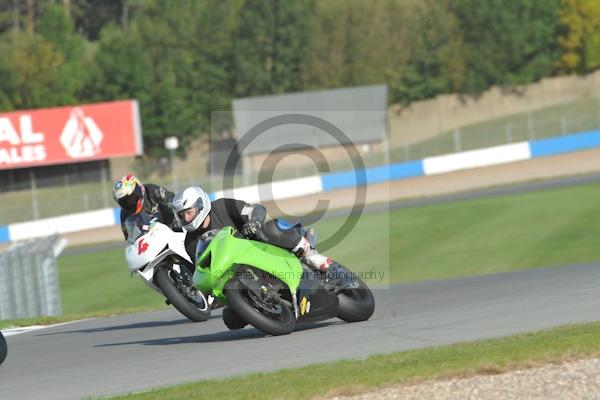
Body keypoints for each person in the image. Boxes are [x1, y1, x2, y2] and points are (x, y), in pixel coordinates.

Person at [172, 186, 346, 330]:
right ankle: (266, 306)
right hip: (237, 273)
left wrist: (253, 223)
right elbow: (202, 266)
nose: (186, 218)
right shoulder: (190, 243)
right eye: (182, 216)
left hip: (260, 248)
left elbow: (255, 209)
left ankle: (313, 257)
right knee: (231, 319)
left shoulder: (222, 206)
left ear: (201, 205)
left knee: (271, 228)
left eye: (189, 212)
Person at [112, 174, 179, 240]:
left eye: (131, 199)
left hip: (173, 231)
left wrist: (177, 224)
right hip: (152, 242)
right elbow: (129, 240)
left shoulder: (152, 191)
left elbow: (173, 201)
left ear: (138, 189)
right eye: (124, 203)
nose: (129, 204)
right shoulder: (125, 216)